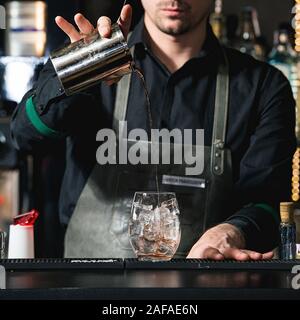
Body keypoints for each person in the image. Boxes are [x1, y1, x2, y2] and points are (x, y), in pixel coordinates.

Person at [11, 1, 296, 260]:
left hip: (205, 291)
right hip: (90, 288)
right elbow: (23, 136)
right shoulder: (89, 62)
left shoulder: (263, 88)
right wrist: (77, 72)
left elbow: (269, 203)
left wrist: (232, 231)